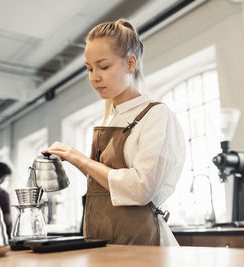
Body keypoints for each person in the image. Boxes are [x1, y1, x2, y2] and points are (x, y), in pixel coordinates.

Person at [44, 19, 185, 246]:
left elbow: (141, 189)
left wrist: (82, 159)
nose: (94, 77)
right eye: (89, 68)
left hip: (144, 244)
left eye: (104, 66)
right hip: (104, 241)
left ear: (130, 64)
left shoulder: (156, 114)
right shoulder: (112, 117)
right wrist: (74, 161)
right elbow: (107, 184)